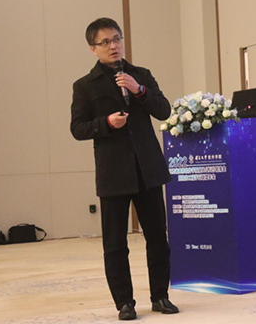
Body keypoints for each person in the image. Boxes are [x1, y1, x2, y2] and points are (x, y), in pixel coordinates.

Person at [70, 17, 179, 320]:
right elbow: (77, 128)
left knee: (157, 237)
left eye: (117, 39)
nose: (113, 45)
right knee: (115, 243)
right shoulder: (85, 85)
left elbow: (164, 110)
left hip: (148, 168)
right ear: (93, 49)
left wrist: (139, 89)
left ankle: (160, 296)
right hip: (113, 172)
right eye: (105, 42)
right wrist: (106, 123)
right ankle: (124, 303)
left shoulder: (140, 75)